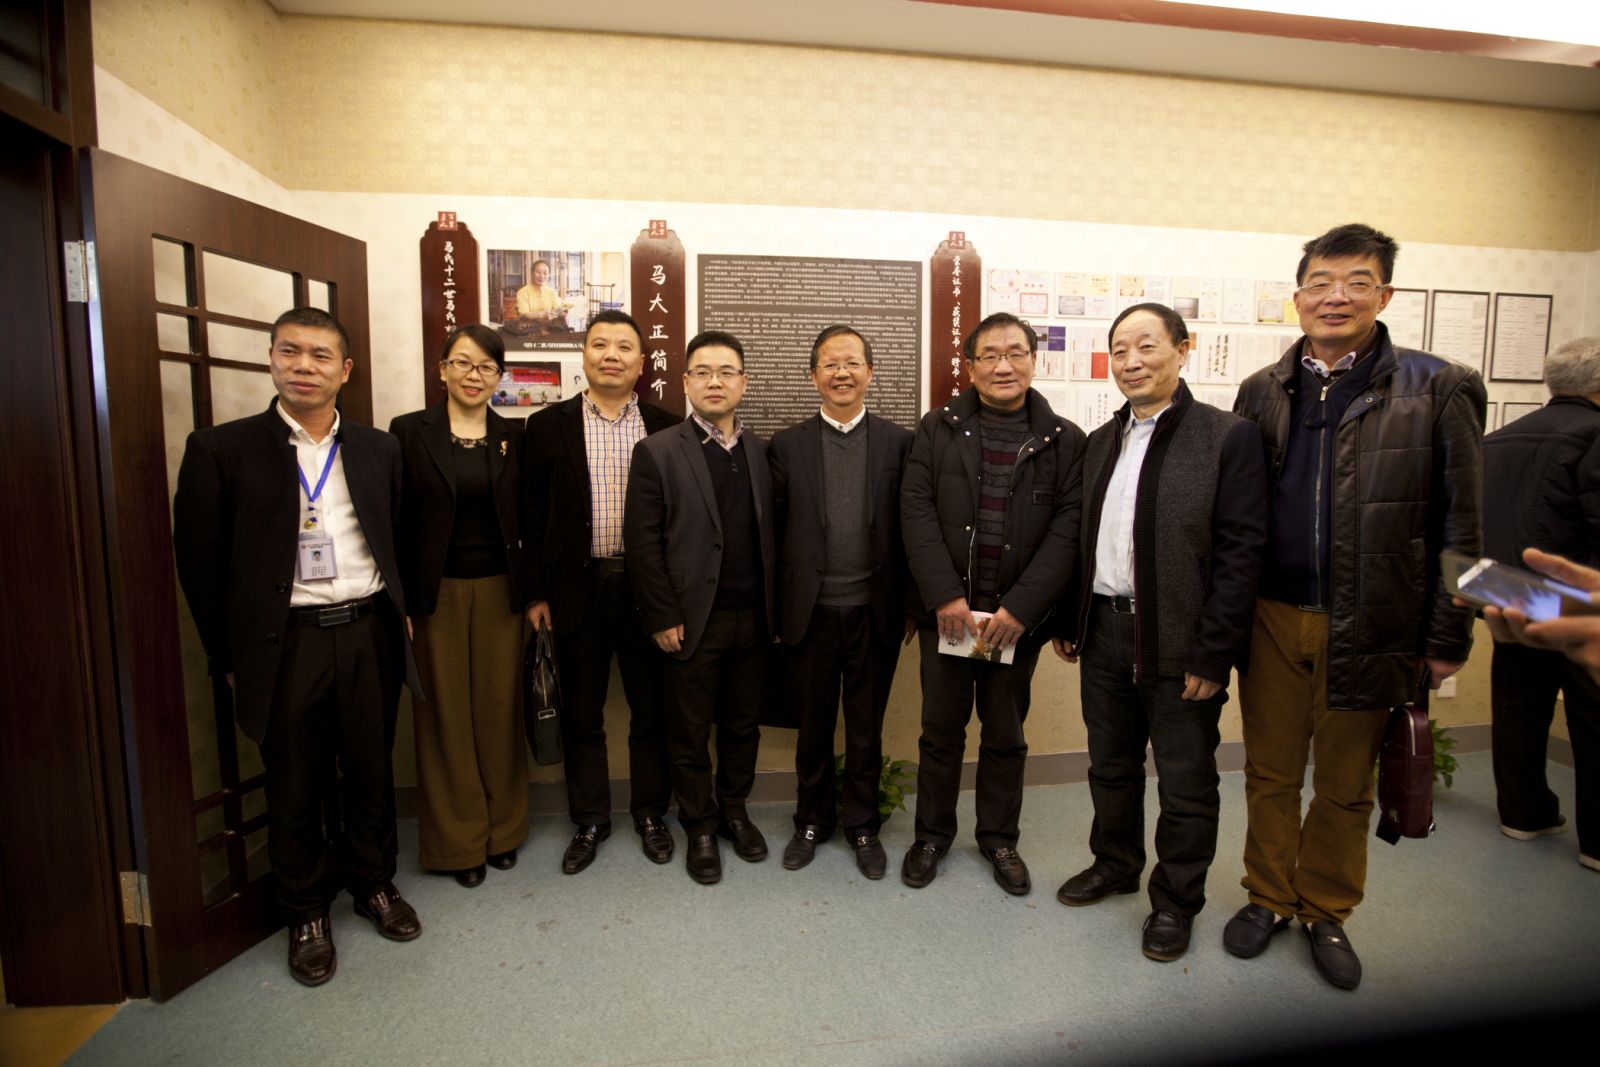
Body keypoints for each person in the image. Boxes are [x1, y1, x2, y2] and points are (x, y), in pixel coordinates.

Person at [1226, 223, 1485, 990]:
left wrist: (1450, 634)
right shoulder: (1262, 389)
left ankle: (1325, 908)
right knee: (1269, 771)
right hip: (1271, 615)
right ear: (1298, 295)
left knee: (1345, 781)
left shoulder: (1439, 387)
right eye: (1321, 282)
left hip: (1373, 621)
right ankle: (1268, 896)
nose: (1336, 296)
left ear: (1386, 294)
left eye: (1357, 282)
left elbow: (1465, 526)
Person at [173, 307, 422, 987]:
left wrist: (400, 611)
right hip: (285, 642)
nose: (304, 366)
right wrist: (228, 657)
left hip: (368, 630)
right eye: (291, 352)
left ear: (345, 370)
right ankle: (306, 911)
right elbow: (199, 566)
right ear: (272, 359)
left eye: (320, 355)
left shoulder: (378, 448)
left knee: (370, 769)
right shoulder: (222, 449)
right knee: (294, 781)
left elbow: (397, 534)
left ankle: (374, 884)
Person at [1051, 303, 1267, 962]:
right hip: (1104, 633)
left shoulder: (1227, 437)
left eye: (1146, 346)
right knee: (1110, 766)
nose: (1132, 362)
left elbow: (1241, 554)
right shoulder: (1100, 441)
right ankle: (1115, 863)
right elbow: (1081, 539)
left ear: (1183, 348)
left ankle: (1175, 901)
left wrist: (1215, 651)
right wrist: (1070, 617)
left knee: (1185, 781)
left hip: (1180, 641)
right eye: (1120, 350)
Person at [899, 312, 1085, 895]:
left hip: (1013, 624)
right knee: (940, 732)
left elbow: (1068, 532)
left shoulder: (1065, 439)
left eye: (1015, 353)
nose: (1003, 366)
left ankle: (1000, 839)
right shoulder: (938, 428)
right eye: (990, 355)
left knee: (1005, 735)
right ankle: (931, 836)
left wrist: (1021, 610)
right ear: (970, 365)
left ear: (1034, 360)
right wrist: (944, 596)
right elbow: (916, 512)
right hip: (950, 618)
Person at [522, 310, 681, 873]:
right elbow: (530, 515)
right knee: (581, 714)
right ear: (584, 355)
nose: (611, 355)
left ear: (641, 362)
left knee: (651, 711)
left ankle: (651, 813)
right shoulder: (546, 426)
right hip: (575, 589)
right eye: (600, 345)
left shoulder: (667, 426)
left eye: (623, 347)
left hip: (647, 590)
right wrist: (535, 594)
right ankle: (589, 818)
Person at [624, 330, 777, 884]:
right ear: (686, 382)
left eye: (727, 372)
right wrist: (663, 615)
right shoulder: (658, 451)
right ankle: (701, 826)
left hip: (753, 617)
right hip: (692, 619)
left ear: (744, 382)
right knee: (688, 731)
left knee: (743, 726)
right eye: (704, 372)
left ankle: (734, 811)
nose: (716, 382)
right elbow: (642, 542)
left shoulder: (762, 452)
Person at [770, 325, 915, 879]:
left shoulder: (900, 443)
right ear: (814, 376)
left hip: (875, 612)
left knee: (865, 727)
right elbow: (774, 534)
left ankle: (862, 825)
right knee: (812, 727)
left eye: (852, 363)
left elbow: (914, 529)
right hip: (809, 613)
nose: (842, 373)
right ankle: (810, 820)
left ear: (870, 372)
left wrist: (911, 605)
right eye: (830, 364)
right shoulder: (787, 445)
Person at [389, 325, 528, 889]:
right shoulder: (408, 432)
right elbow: (393, 518)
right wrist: (398, 598)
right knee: (443, 715)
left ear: (499, 377)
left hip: (501, 592)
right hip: (435, 595)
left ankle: (504, 831)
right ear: (442, 368)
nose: (475, 375)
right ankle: (457, 843)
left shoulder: (515, 435)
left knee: (499, 710)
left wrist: (536, 594)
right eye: (464, 363)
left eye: (487, 367)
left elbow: (529, 519)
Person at [1478, 337, 1600, 871]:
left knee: (1517, 705)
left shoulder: (1498, 439)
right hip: (1575, 601)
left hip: (1507, 593)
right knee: (1593, 716)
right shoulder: (1594, 434)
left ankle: (1524, 813)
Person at [514, 258, 565, 329]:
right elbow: (524, 314)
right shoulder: (522, 292)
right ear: (532, 273)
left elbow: (557, 309)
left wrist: (562, 312)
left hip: (549, 328)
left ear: (548, 275)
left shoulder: (551, 291)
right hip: (529, 328)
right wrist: (542, 314)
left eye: (545, 273)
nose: (542, 276)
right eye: (538, 272)